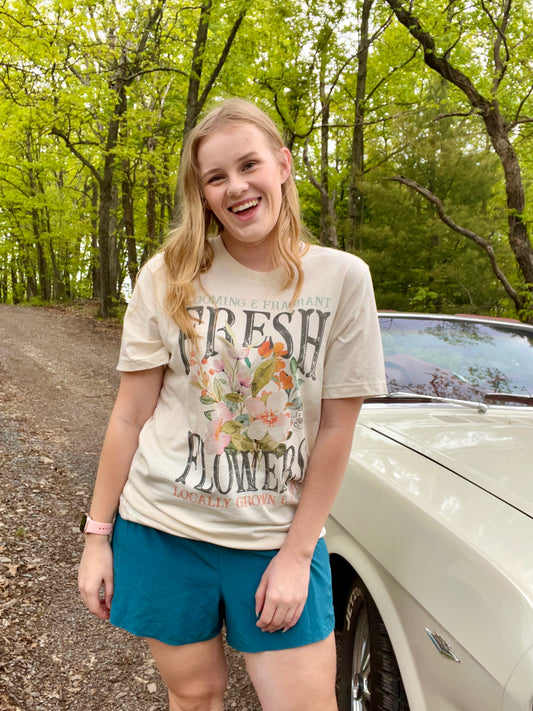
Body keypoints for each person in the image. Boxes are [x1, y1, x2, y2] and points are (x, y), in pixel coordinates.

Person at [78, 98, 387, 711]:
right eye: (215, 177)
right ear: (202, 192)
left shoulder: (342, 278)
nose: (236, 188)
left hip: (276, 537)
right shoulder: (167, 275)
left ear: (283, 165)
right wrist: (96, 536)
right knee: (193, 696)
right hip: (164, 530)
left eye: (249, 166)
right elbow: (129, 415)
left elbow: (335, 429)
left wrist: (299, 554)